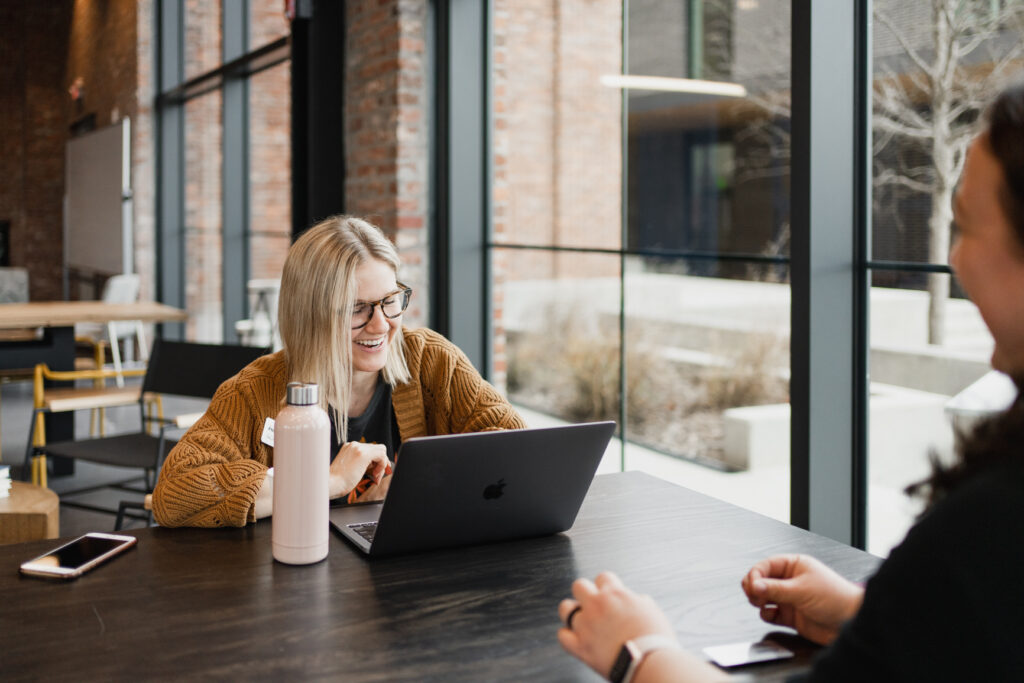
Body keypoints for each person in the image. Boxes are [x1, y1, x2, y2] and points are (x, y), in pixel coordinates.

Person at [556, 82, 1024, 682]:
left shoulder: (997, 520)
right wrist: (871, 616)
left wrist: (638, 652)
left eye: (965, 226)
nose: (953, 259)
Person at [153, 216, 526, 527]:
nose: (381, 325)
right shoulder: (255, 392)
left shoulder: (430, 359)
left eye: (389, 301)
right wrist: (327, 482)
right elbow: (174, 495)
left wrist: (411, 491)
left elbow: (516, 449)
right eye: (357, 308)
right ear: (309, 316)